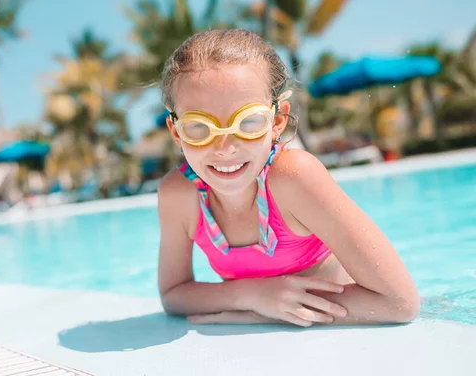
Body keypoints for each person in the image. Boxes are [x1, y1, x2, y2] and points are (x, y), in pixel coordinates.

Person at [156, 29, 420, 327]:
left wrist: (261, 314)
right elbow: (173, 294)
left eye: (249, 122)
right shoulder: (179, 195)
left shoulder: (293, 178)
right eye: (199, 128)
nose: (225, 148)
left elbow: (400, 303)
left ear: (277, 120)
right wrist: (252, 296)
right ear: (176, 132)